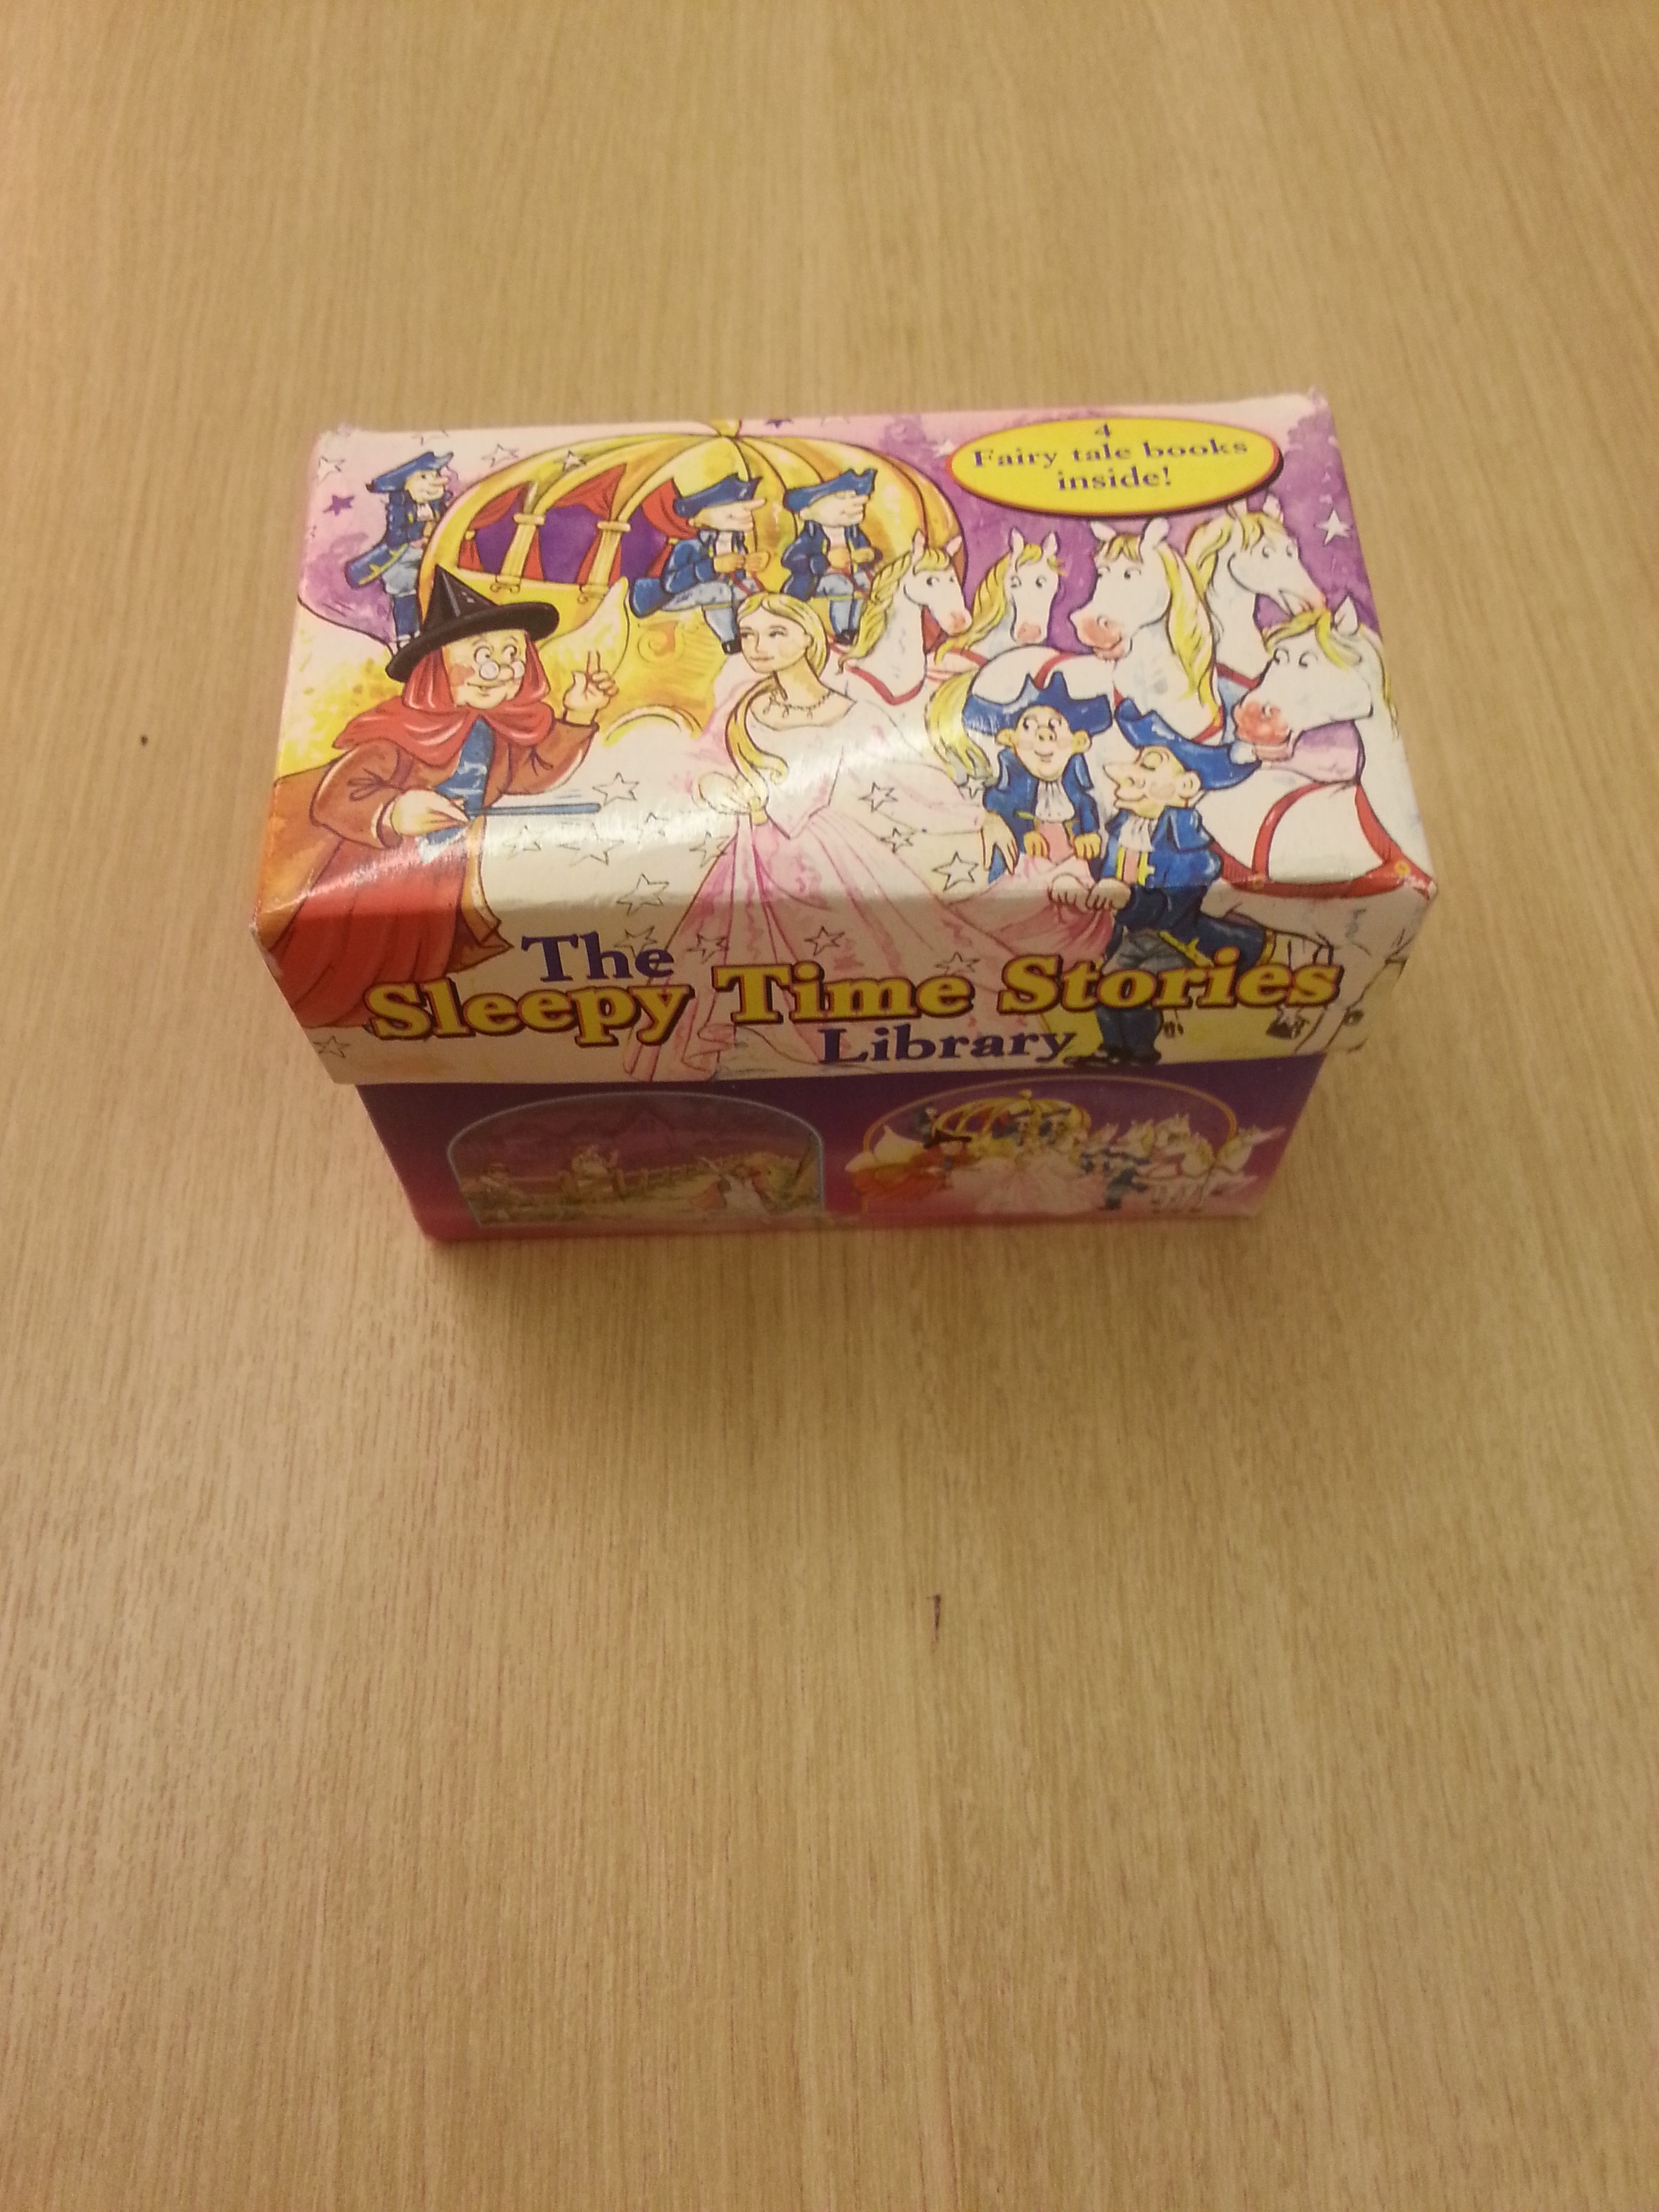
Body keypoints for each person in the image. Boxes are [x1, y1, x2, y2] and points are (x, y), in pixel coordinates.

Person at [627, 594, 1009, 1080]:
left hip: (831, 857)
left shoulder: (854, 714)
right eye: (749, 635)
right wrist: (714, 787)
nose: (759, 646)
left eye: (775, 633)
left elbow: (911, 779)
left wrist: (978, 818)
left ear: (809, 635)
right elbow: (700, 764)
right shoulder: (743, 707)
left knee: (863, 960)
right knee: (719, 970)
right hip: (751, 859)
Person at [258, 568, 616, 1029]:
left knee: (421, 958)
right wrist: (394, 811)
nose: (500, 671)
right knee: (357, 961)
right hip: (374, 874)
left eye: (513, 655)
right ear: (436, 672)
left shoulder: (498, 730)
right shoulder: (399, 734)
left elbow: (530, 775)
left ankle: (413, 1017)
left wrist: (577, 715)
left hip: (441, 875)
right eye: (482, 657)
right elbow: (335, 797)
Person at [1072, 704, 1265, 1064]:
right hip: (1130, 938)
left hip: (1177, 944)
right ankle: (1111, 1049)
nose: (1127, 772)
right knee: (1104, 989)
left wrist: (1129, 899)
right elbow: (1104, 879)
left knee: (1135, 991)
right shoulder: (1121, 831)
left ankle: (1140, 1054)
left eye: (1148, 765)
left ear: (1187, 786)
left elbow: (1173, 910)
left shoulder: (1188, 852)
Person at [628, 474, 764, 650]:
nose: (745, 517)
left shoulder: (736, 544)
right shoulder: (690, 546)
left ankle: (752, 630)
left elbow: (735, 580)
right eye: (731, 515)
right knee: (718, 590)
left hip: (709, 591)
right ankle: (730, 640)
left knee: (751, 585)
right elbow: (671, 584)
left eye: (747, 511)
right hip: (664, 597)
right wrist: (713, 566)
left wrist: (746, 565)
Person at [981, 697, 1104, 880]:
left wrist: (1090, 835)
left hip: (1072, 870)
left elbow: (1086, 809)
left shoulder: (1077, 795)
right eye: (1028, 727)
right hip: (1027, 874)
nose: (1045, 735)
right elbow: (998, 806)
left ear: (1078, 742)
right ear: (1010, 739)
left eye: (1055, 726)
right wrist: (1023, 835)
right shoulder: (1012, 792)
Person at [343, 450, 452, 647]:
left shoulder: (437, 505)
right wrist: (419, 532)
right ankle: (405, 637)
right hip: (402, 561)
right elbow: (396, 536)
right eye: (425, 476)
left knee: (428, 593)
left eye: (435, 474)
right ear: (407, 483)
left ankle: (425, 632)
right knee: (405, 598)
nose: (434, 481)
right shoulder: (400, 507)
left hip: (426, 559)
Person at [780, 468, 878, 642]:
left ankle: (855, 627)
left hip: (850, 576)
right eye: (841, 497)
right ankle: (842, 630)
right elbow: (791, 560)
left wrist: (869, 555)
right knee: (840, 584)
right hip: (814, 582)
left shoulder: (853, 534)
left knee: (867, 581)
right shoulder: (810, 537)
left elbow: (869, 554)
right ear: (808, 511)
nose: (854, 504)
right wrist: (826, 561)